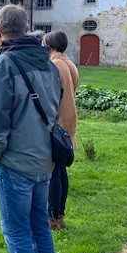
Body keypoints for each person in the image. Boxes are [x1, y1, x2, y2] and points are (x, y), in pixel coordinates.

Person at [0, 4, 61, 253]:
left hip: (15, 163)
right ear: (26, 28)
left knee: (17, 232)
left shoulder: (5, 64)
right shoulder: (48, 63)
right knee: (39, 227)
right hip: (43, 159)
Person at [43, 30, 79, 230]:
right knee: (60, 171)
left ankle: (54, 217)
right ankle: (59, 214)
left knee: (55, 172)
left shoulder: (56, 64)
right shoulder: (69, 63)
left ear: (50, 45)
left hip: (58, 123)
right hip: (69, 121)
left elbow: (51, 95)